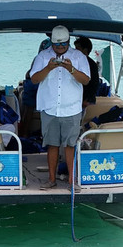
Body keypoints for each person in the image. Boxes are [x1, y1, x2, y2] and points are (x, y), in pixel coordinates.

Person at [30, 24, 91, 189]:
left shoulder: (78, 57)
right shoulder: (43, 56)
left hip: (71, 108)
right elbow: (34, 79)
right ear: (51, 42)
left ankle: (72, 181)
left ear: (68, 41)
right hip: (50, 108)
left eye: (63, 44)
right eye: (57, 44)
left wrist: (71, 69)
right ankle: (51, 180)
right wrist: (48, 68)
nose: (60, 47)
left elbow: (86, 80)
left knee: (70, 145)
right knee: (52, 145)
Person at [75, 36, 101, 108]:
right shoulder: (75, 62)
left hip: (85, 100)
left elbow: (94, 84)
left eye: (78, 48)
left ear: (85, 50)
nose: (75, 50)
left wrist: (87, 99)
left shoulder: (91, 65)